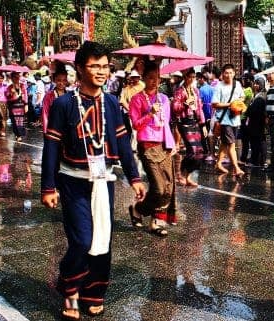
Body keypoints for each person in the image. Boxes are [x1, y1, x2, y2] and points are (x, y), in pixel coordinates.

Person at [40, 41, 146, 320]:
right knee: (82, 239)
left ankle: (94, 293)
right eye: (94, 66)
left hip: (104, 181)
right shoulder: (63, 104)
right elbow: (51, 146)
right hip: (73, 181)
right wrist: (48, 187)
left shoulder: (111, 103)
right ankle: (71, 288)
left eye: (104, 66)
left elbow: (123, 144)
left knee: (103, 240)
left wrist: (134, 177)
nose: (101, 71)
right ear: (79, 68)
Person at [129, 61, 177, 235]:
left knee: (168, 187)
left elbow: (166, 125)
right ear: (143, 78)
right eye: (150, 78)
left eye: (157, 78)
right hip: (147, 146)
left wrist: (172, 144)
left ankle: (157, 221)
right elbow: (135, 125)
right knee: (158, 187)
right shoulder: (137, 99)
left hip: (163, 146)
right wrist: (149, 113)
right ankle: (139, 209)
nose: (154, 82)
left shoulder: (164, 99)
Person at [172, 68, 206, 187]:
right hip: (184, 122)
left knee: (199, 152)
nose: (191, 79)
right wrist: (185, 104)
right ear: (184, 77)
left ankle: (188, 176)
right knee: (191, 150)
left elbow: (200, 108)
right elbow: (175, 107)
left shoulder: (196, 91)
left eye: (193, 77)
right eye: (189, 77)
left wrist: (203, 124)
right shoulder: (179, 91)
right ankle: (181, 173)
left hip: (194, 122)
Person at [212, 63, 245, 176]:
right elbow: (215, 104)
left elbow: (242, 96)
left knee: (225, 143)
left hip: (235, 119)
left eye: (231, 72)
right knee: (231, 144)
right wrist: (229, 105)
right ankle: (236, 168)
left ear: (234, 73)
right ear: (222, 74)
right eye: (226, 73)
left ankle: (218, 163)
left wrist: (238, 103)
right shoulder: (219, 87)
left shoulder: (238, 84)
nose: (228, 75)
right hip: (224, 120)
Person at [244, 77, 268, 167]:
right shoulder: (259, 95)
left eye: (257, 84)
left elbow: (253, 110)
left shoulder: (260, 97)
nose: (255, 85)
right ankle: (261, 160)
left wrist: (248, 110)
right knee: (260, 141)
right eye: (254, 83)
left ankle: (256, 161)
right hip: (257, 123)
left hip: (257, 123)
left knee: (257, 142)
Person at [41, 64, 69, 134]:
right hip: (53, 129)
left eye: (64, 80)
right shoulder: (49, 96)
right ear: (54, 80)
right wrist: (45, 131)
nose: (61, 83)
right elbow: (45, 113)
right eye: (59, 80)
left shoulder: (70, 95)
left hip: (67, 130)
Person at [5, 72, 28, 142]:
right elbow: (7, 97)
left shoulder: (22, 85)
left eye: (18, 77)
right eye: (15, 77)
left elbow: (25, 95)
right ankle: (18, 135)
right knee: (14, 121)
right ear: (11, 78)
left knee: (20, 121)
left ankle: (19, 134)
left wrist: (26, 105)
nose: (17, 79)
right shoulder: (9, 87)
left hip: (21, 106)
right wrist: (11, 93)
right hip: (13, 106)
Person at [0, 72, 8, 136]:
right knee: (1, 116)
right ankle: (2, 131)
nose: (0, 79)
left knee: (3, 117)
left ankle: (2, 130)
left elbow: (7, 94)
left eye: (1, 78)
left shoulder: (5, 86)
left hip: (4, 103)